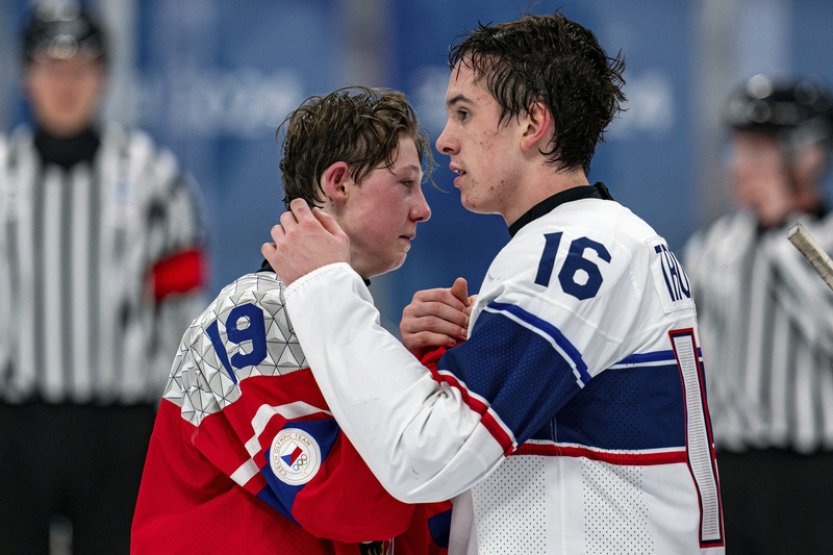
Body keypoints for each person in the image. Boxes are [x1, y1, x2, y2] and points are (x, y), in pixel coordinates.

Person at [263, 12, 725, 555]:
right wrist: (429, 357)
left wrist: (325, 286)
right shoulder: (597, 243)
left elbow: (428, 456)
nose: (446, 141)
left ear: (532, 124)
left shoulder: (575, 255)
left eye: (463, 112)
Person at [131, 86, 451, 554]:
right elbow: (344, 507)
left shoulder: (333, 323)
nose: (422, 208)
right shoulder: (255, 316)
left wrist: (419, 372)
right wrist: (422, 376)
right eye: (405, 183)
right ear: (338, 183)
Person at [0, 2, 206, 553]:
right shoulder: (2, 176)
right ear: (25, 76)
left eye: (80, 69)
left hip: (121, 430)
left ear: (104, 77)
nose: (65, 84)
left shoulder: (152, 177)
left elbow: (183, 307)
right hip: (15, 428)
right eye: (50, 68)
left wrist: (182, 425)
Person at [683, 74, 833, 554]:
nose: (740, 165)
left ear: (808, 156)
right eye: (739, 149)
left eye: (760, 150)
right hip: (727, 470)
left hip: (811, 474)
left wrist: (784, 225)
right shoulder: (715, 243)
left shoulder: (822, 240)